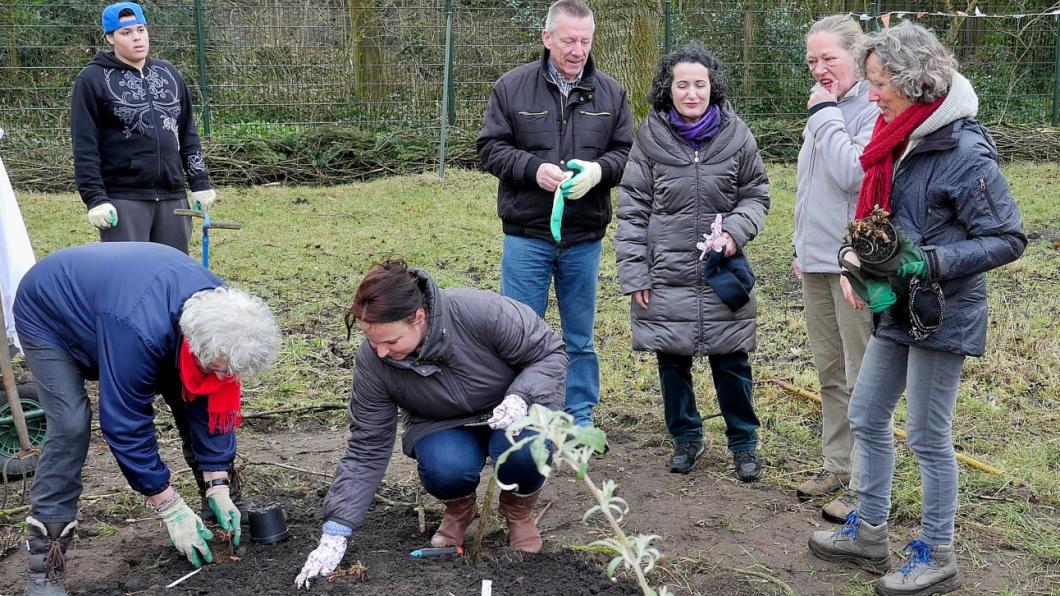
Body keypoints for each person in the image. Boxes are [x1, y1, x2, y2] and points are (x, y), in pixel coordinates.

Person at [807, 21, 1026, 596]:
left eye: (879, 81)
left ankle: (938, 553)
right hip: (897, 310)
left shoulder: (963, 148)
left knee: (928, 437)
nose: (870, 92)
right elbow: (890, 222)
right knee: (866, 414)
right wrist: (867, 265)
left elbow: (1008, 237)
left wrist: (924, 262)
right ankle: (870, 533)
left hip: (943, 311)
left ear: (912, 80)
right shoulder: (895, 135)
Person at [13, 242, 280, 595]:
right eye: (215, 367)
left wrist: (218, 482)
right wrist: (170, 508)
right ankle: (46, 564)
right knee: (71, 423)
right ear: (192, 345)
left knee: (195, 390)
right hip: (51, 310)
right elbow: (125, 424)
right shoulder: (139, 330)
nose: (223, 376)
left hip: (123, 301)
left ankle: (215, 509)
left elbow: (210, 397)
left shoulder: (224, 312)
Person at [296, 261, 567, 588]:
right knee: (445, 467)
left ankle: (518, 513)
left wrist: (521, 396)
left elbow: (551, 354)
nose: (381, 352)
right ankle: (459, 510)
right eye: (373, 342)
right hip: (440, 421)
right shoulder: (374, 363)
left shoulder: (481, 312)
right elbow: (366, 447)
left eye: (391, 341)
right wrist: (336, 531)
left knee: (525, 451)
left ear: (419, 319)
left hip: (514, 406)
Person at [614, 45, 771, 482]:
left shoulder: (737, 136)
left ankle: (744, 444)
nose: (691, 92)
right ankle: (686, 438)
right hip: (666, 272)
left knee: (732, 361)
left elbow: (756, 194)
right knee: (672, 360)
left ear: (711, 86)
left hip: (722, 270)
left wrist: (735, 232)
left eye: (699, 84)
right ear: (669, 88)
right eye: (682, 84)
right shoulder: (649, 139)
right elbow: (632, 211)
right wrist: (634, 274)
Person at [477, 0, 633, 428]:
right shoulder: (512, 87)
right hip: (526, 233)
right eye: (569, 40)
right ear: (547, 39)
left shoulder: (611, 92)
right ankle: (520, 412)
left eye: (585, 40)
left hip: (584, 236)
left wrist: (601, 172)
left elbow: (626, 154)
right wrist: (532, 169)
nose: (578, 49)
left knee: (579, 337)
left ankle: (579, 415)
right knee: (519, 333)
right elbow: (489, 148)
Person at [792, 15, 876, 523]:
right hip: (818, 261)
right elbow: (810, 188)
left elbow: (853, 175)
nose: (820, 69)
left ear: (856, 57)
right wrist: (801, 247)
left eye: (829, 58)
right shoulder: (823, 108)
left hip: (854, 265)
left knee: (863, 373)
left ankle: (868, 482)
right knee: (829, 370)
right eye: (812, 61)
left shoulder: (869, 107)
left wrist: (825, 114)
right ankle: (837, 463)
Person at [71, 2, 218, 255]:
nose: (136, 38)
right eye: (125, 33)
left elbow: (187, 133)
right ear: (110, 38)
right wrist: (95, 199)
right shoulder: (91, 80)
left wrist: (200, 181)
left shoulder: (169, 73)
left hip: (173, 196)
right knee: (129, 277)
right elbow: (85, 146)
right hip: (124, 198)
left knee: (171, 274)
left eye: (140, 29)